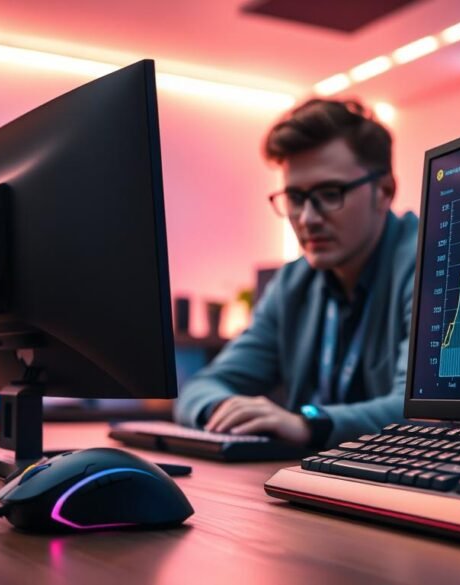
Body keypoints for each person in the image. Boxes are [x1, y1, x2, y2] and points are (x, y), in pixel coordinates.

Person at [174, 98, 418, 449]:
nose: (307, 219)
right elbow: (201, 388)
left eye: (330, 193)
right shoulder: (291, 283)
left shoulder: (430, 262)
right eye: (295, 198)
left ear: (384, 192)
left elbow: (417, 412)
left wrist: (309, 424)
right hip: (311, 481)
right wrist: (225, 409)